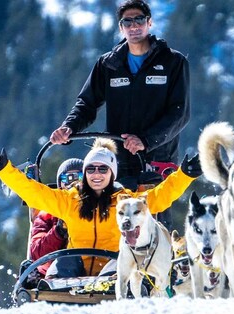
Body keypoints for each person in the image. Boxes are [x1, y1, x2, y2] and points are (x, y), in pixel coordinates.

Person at [0, 139, 203, 279]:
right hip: (74, 269)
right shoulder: (69, 200)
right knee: (63, 260)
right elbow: (33, 192)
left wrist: (184, 175)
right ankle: (51, 293)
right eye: (91, 169)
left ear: (112, 173)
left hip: (112, 266)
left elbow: (159, 197)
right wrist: (3, 170)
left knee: (122, 262)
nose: (96, 174)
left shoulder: (124, 201)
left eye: (102, 169)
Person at [49, 0, 189, 227]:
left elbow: (180, 113)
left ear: (149, 23)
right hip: (119, 160)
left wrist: (146, 140)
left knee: (154, 223)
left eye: (139, 20)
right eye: (127, 21)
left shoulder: (173, 62)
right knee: (117, 221)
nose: (134, 26)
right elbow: (86, 103)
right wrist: (69, 127)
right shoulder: (108, 64)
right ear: (121, 27)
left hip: (158, 159)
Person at [23, 158, 84, 285]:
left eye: (78, 177)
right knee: (67, 259)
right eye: (67, 179)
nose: (72, 184)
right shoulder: (47, 215)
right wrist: (58, 232)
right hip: (55, 272)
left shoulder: (100, 209)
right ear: (59, 183)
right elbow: (36, 253)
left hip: (94, 266)